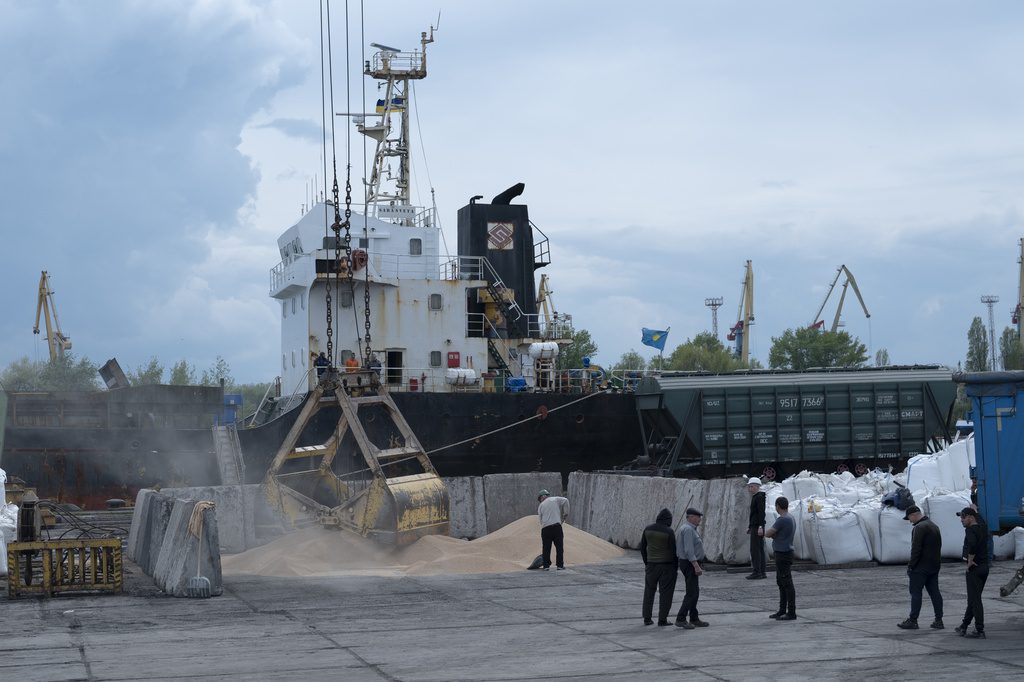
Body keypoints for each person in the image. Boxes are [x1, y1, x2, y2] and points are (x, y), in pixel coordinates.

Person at [898, 505, 944, 630]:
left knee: (916, 593)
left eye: (909, 518)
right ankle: (939, 620)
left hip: (920, 567)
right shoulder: (934, 526)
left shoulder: (919, 527)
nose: (910, 521)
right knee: (935, 592)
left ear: (914, 514)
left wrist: (911, 566)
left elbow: (916, 549)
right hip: (934, 566)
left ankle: (913, 620)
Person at [640, 508, 677, 626]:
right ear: (668, 520)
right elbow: (673, 551)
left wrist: (647, 562)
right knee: (666, 593)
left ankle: (647, 618)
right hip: (666, 567)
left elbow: (642, 548)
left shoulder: (647, 529)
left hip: (651, 565)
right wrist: (675, 568)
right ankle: (662, 620)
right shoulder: (669, 532)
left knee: (649, 592)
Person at [956, 507, 989, 638]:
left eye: (963, 517)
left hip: (974, 569)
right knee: (973, 599)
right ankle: (963, 626)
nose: (961, 520)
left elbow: (972, 544)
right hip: (984, 568)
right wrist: (976, 510)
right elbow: (981, 520)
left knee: (975, 600)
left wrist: (970, 559)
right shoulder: (982, 527)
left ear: (970, 517)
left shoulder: (970, 530)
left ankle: (979, 630)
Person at [762, 496, 797, 620]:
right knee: (781, 583)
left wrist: (765, 533)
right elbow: (777, 534)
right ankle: (782, 610)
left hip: (782, 553)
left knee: (786, 583)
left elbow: (768, 533)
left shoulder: (782, 519)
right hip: (785, 552)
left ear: (777, 506)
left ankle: (791, 612)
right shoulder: (791, 517)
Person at [675, 507, 708, 628]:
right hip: (690, 564)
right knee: (691, 593)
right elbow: (689, 550)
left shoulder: (690, 529)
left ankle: (694, 618)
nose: (700, 519)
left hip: (690, 563)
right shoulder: (688, 529)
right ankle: (681, 618)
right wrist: (696, 565)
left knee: (695, 592)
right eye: (698, 517)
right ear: (691, 517)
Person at [537, 490, 569, 571]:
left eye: (540, 499)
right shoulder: (555, 499)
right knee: (559, 547)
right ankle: (560, 565)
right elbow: (566, 500)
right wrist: (565, 513)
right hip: (556, 527)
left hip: (545, 529)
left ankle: (546, 566)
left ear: (542, 497)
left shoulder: (540, 506)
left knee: (546, 548)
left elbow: (540, 520)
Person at [746, 477, 767, 580]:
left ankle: (757, 572)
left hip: (757, 527)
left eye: (752, 486)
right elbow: (754, 514)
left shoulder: (759, 497)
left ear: (758, 486)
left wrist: (760, 527)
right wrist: (750, 526)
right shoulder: (757, 497)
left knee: (755, 550)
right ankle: (762, 572)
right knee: (759, 549)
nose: (750, 488)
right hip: (755, 526)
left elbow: (761, 513)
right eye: (749, 486)